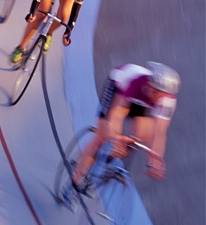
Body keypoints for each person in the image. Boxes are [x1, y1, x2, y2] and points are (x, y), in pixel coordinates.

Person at [70, 61, 181, 196]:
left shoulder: (167, 101)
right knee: (102, 135)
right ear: (149, 84)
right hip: (119, 87)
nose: (159, 98)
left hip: (139, 101)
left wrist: (155, 159)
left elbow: (160, 132)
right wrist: (115, 137)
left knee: (143, 135)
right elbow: (115, 114)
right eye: (156, 92)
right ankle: (76, 175)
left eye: (162, 95)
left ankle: (109, 157)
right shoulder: (136, 83)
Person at [10, 0, 87, 64]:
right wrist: (32, 12)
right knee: (40, 15)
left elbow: (75, 11)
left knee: (63, 17)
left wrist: (68, 32)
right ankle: (21, 47)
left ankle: (49, 32)